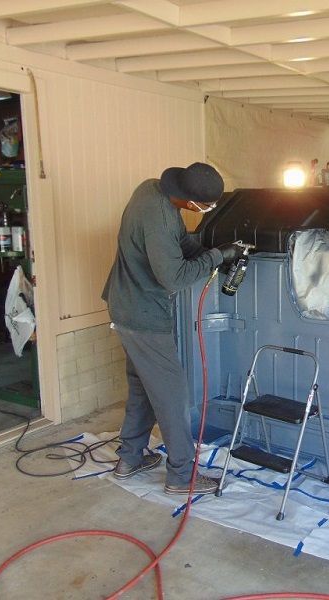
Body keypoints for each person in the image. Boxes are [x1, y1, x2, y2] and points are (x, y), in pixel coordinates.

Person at [102, 162, 243, 494]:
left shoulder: (150, 189)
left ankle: (130, 458)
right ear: (190, 202)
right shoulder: (161, 219)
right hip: (143, 315)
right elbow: (174, 277)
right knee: (171, 395)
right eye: (205, 206)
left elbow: (180, 242)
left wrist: (213, 253)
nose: (205, 210)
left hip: (123, 305)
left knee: (142, 388)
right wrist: (216, 258)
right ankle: (181, 475)